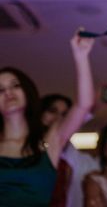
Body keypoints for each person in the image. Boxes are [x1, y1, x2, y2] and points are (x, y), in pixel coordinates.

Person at [0, 31, 94, 206]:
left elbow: (84, 104)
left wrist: (81, 57)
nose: (8, 92)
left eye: (15, 85)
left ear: (27, 92)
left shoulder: (50, 141)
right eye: (0, 90)